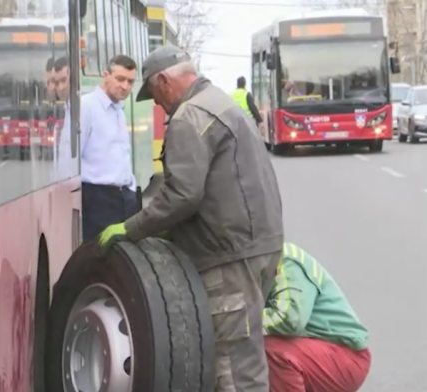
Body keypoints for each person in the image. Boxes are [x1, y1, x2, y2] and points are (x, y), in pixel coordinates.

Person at [98, 45, 284, 392]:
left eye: (154, 95)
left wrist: (132, 228)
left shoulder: (189, 116)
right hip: (260, 248)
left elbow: (182, 195)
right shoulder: (222, 103)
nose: (157, 105)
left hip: (229, 259)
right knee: (246, 358)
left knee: (233, 372)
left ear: (165, 81)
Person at [265, 243, 371, 392]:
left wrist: (238, 323)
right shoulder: (258, 261)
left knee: (271, 350)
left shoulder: (286, 262)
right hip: (317, 351)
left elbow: (289, 320)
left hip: (344, 356)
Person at [80, 55, 139, 242]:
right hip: (97, 200)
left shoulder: (118, 110)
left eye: (130, 81)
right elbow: (70, 159)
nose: (125, 86)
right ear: (106, 75)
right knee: (99, 260)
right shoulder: (86, 106)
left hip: (125, 198)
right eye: (120, 79)